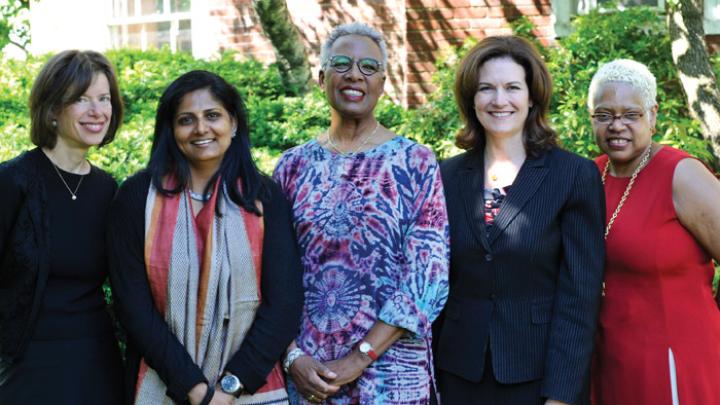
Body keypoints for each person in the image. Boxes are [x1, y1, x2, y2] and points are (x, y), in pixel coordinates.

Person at [272, 22, 449, 404]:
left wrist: (360, 357)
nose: (355, 74)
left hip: (391, 376)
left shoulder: (415, 162)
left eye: (369, 67)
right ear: (321, 78)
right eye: (342, 64)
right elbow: (268, 273)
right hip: (310, 375)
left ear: (383, 82)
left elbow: (428, 277)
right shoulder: (291, 167)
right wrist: (292, 357)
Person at [107, 70, 304, 404]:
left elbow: (283, 303)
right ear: (170, 130)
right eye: (187, 119)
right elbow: (133, 307)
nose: (201, 129)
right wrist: (195, 389)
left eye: (213, 116)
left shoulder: (264, 197)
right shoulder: (136, 198)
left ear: (234, 124)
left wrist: (230, 387)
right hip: (162, 386)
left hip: (249, 390)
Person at [434, 35, 605, 405]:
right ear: (471, 99)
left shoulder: (573, 175)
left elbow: (579, 297)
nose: (499, 100)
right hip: (457, 375)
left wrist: (560, 396)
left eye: (512, 87)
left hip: (537, 376)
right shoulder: (445, 176)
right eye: (486, 89)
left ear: (532, 97)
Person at [588, 59, 720, 404]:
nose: (617, 126)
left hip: (676, 358)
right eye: (604, 115)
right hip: (611, 359)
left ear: (653, 115)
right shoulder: (589, 175)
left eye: (630, 114)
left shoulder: (681, 175)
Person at [0, 50, 124, 403]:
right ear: (53, 110)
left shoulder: (108, 189)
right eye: (81, 99)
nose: (97, 111)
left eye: (104, 99)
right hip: (23, 367)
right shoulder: (11, 182)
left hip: (97, 364)